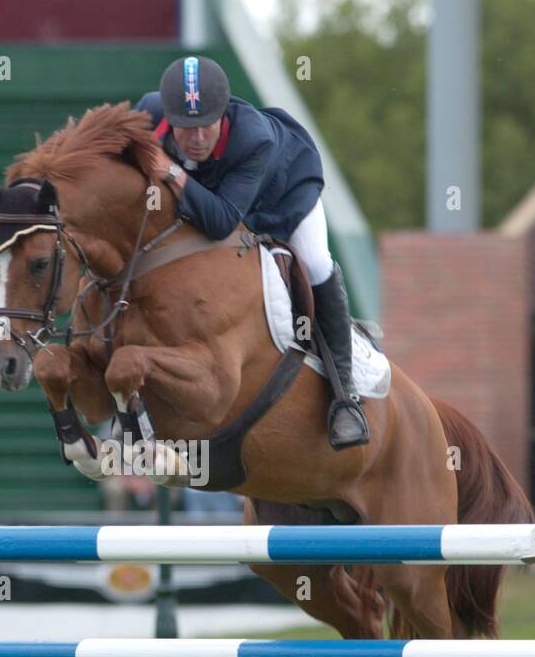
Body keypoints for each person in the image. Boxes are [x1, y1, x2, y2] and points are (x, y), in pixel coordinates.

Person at [134, 56, 370, 450]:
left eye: (205, 125)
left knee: (314, 262)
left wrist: (172, 171)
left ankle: (345, 397)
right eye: (185, 127)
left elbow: (222, 221)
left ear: (223, 114)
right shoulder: (148, 114)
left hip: (286, 194)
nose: (195, 139)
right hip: (219, 196)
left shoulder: (253, 138)